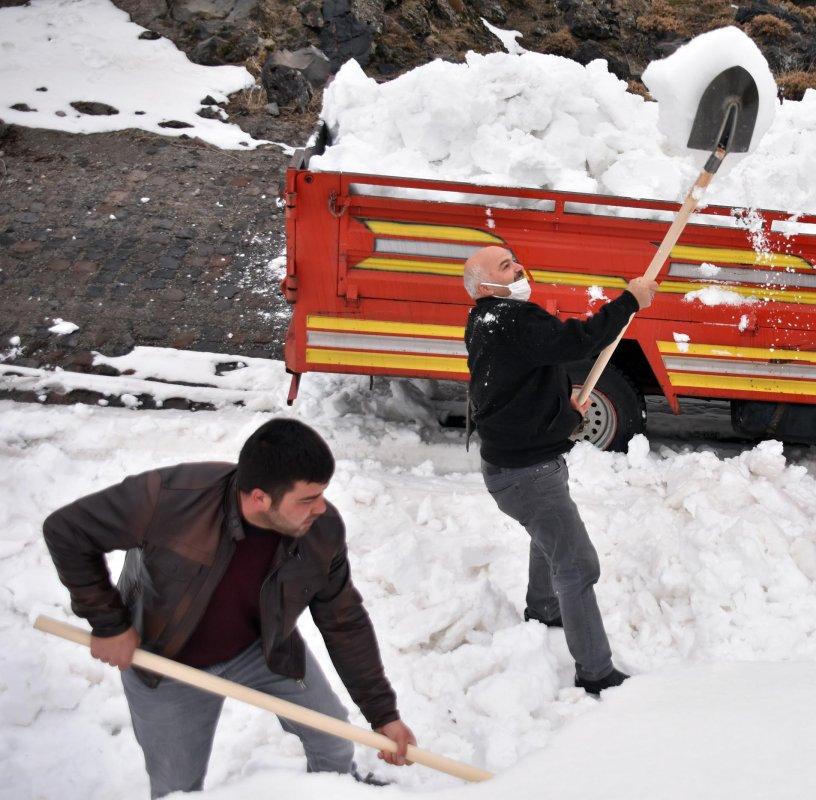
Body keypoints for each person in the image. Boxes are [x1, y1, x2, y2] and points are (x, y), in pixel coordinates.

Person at [43, 418, 416, 798]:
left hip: (262, 649)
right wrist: (109, 624)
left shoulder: (322, 530)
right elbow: (66, 531)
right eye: (307, 499)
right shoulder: (170, 498)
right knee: (176, 789)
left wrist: (383, 713)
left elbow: (344, 620)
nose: (321, 508)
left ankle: (336, 791)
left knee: (334, 742)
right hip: (167, 662)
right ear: (259, 498)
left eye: (321, 494)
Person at [462, 245, 657, 694]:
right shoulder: (511, 319)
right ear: (487, 286)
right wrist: (630, 300)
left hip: (521, 465)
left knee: (545, 532)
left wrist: (563, 410)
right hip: (526, 474)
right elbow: (579, 341)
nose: (518, 268)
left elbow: (522, 383)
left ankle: (544, 607)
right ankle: (595, 672)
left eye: (515, 261)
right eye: (506, 267)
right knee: (578, 564)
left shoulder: (488, 322)